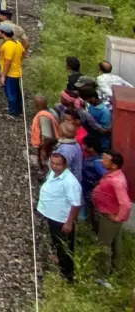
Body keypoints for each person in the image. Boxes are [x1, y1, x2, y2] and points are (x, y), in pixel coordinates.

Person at [36, 152, 82, 283]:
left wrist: (69, 223)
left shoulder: (70, 182)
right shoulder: (52, 172)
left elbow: (75, 203)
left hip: (61, 220)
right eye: (53, 163)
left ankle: (67, 276)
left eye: (58, 164)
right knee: (57, 242)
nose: (54, 166)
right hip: (52, 216)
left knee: (65, 247)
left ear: (65, 165)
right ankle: (60, 262)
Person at [92, 150, 129, 275]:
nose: (102, 161)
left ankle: (102, 273)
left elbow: (125, 204)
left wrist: (118, 218)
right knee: (115, 242)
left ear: (114, 165)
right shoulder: (112, 174)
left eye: (105, 160)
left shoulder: (117, 181)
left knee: (104, 244)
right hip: (110, 214)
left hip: (110, 217)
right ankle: (116, 268)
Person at [0, 26, 25, 117]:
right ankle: (18, 109)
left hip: (10, 73)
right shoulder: (17, 43)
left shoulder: (8, 45)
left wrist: (3, 75)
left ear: (3, 33)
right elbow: (23, 53)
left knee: (10, 93)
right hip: (17, 72)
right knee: (16, 92)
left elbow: (7, 61)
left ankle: (13, 112)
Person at [30, 95, 60, 168]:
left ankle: (42, 165)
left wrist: (43, 150)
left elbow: (47, 137)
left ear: (36, 105)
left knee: (45, 158)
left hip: (50, 143)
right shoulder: (52, 111)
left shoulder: (43, 117)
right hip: (56, 137)